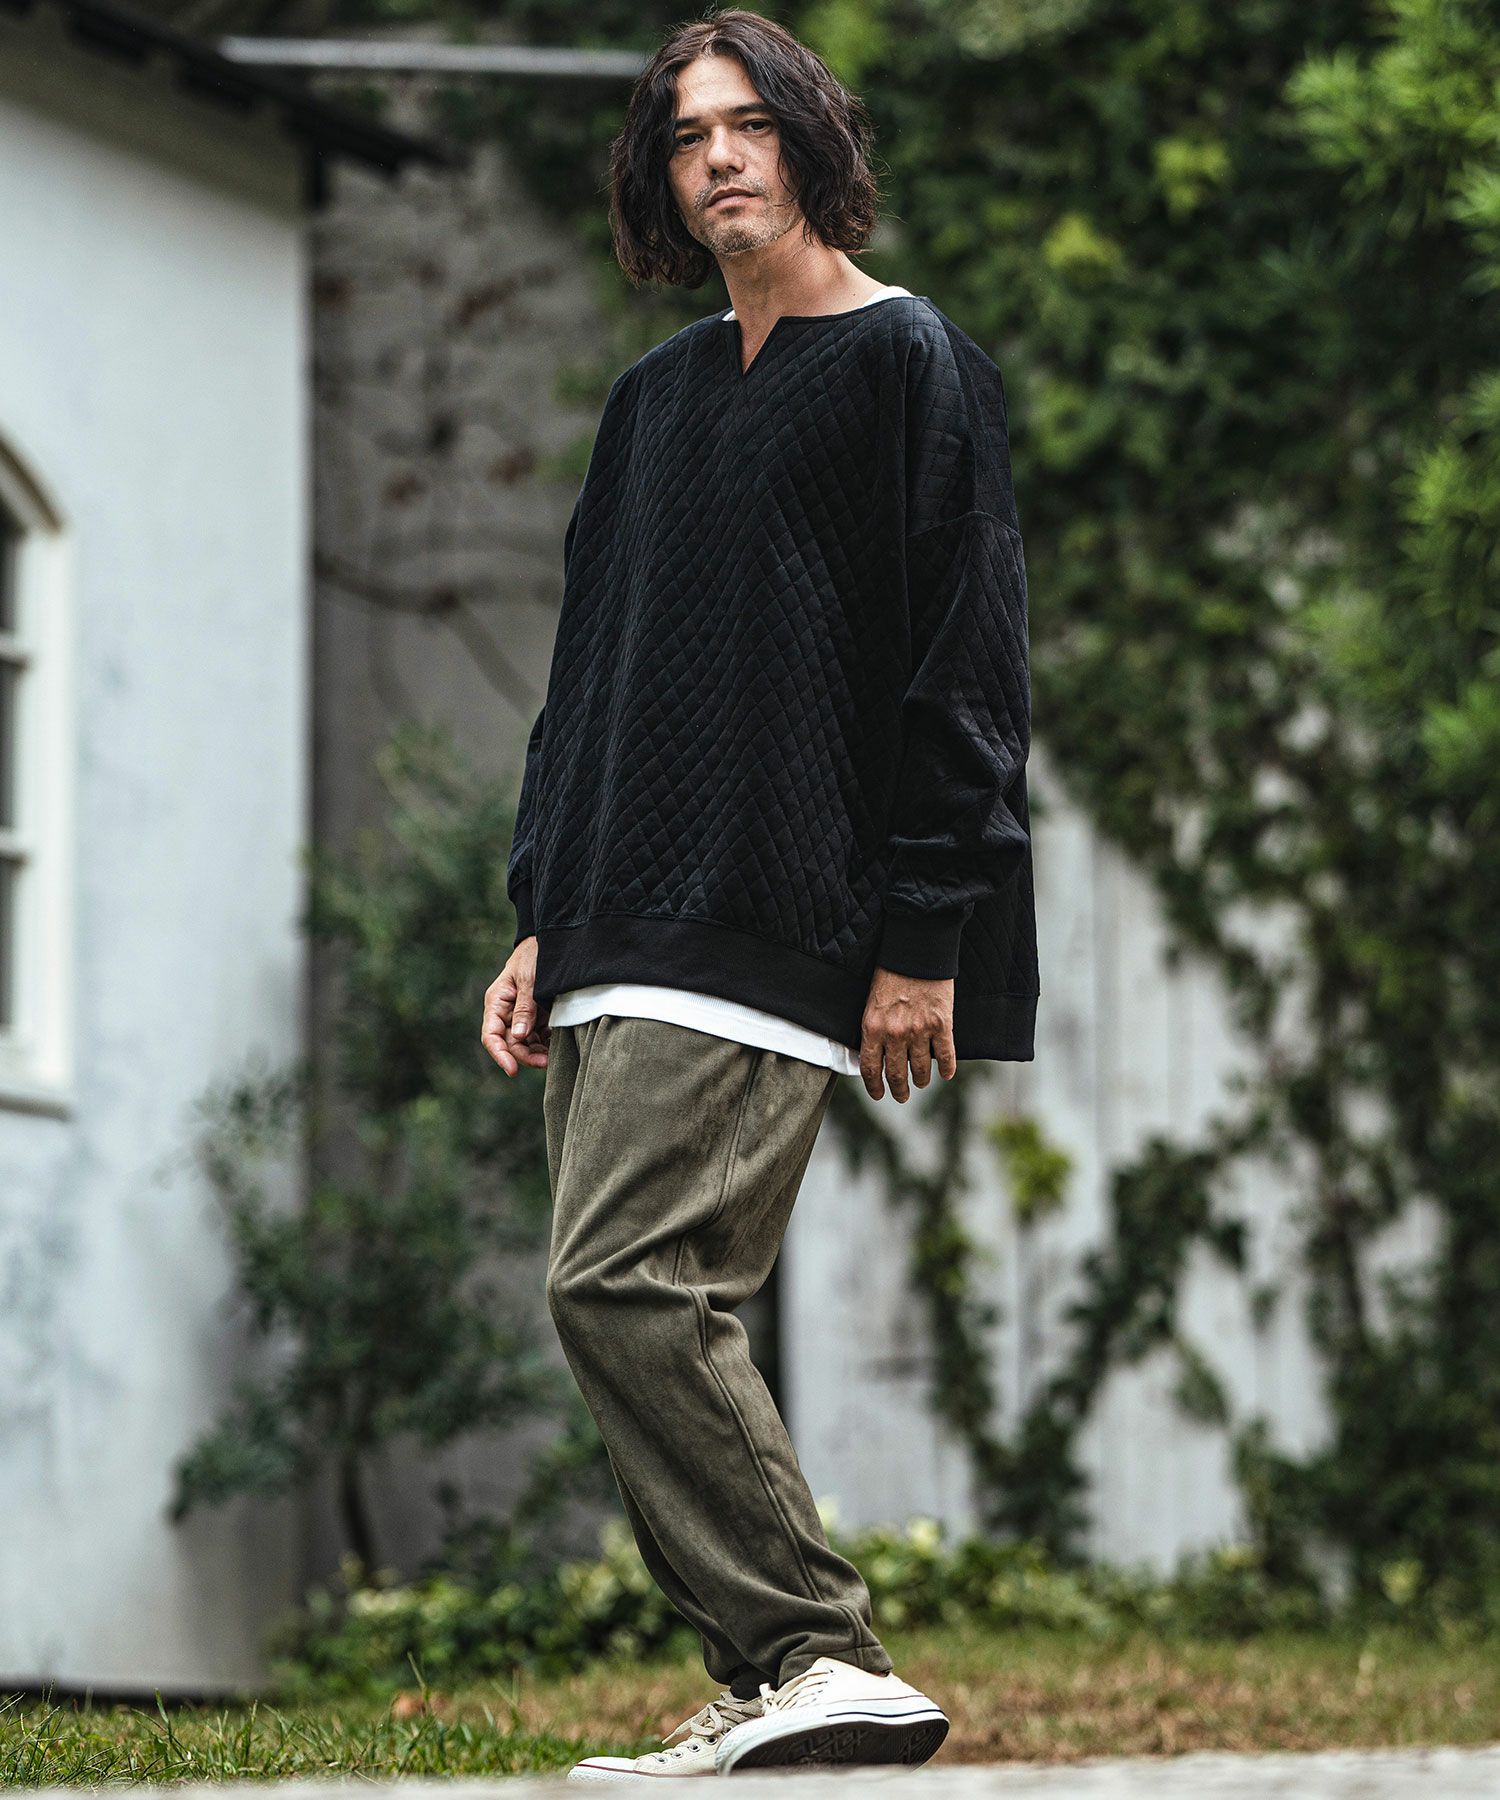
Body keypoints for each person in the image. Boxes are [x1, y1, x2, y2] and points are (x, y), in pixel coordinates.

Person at [480, 6, 1037, 1781]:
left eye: (750, 124)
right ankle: (778, 1677)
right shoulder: (652, 402)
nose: (717, 157)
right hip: (616, 917)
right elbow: (593, 673)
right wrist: (539, 907)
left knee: (623, 1282)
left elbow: (967, 672)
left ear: (811, 141)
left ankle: (816, 1648)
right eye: (684, 134)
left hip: (777, 915)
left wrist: (925, 939)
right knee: (630, 1295)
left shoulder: (907, 362)